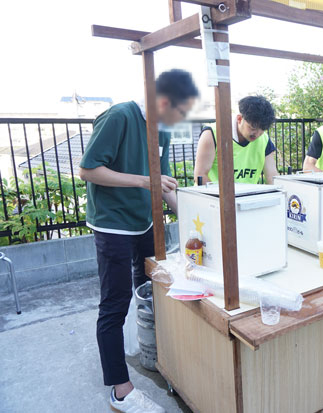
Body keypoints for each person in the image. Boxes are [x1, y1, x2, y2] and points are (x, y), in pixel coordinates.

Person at [79, 69, 199, 413]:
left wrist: (194, 219)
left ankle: (149, 350)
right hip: (112, 226)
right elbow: (88, 170)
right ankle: (120, 391)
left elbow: (162, 183)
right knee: (114, 303)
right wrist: (144, 181)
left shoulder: (162, 129)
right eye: (178, 110)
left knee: (152, 290)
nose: (179, 119)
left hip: (145, 221)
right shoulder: (120, 115)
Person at [194, 95, 278, 184]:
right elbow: (200, 175)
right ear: (239, 119)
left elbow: (272, 176)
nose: (257, 134)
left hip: (248, 193)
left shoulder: (264, 139)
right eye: (253, 128)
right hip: (214, 193)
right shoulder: (212, 134)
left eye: (262, 130)